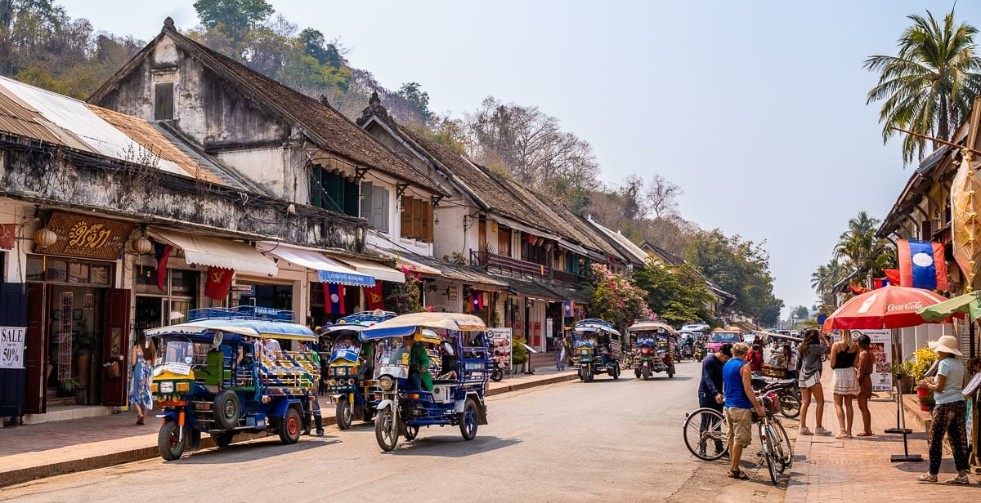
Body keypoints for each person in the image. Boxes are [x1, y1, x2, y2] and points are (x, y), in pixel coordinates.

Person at [916, 336, 971, 484]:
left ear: (944, 351)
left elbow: (939, 387)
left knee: (935, 439)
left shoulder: (944, 364)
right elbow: (958, 384)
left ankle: (932, 473)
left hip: (945, 404)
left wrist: (927, 385)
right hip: (959, 403)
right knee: (958, 440)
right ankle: (962, 474)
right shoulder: (959, 364)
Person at [723, 343, 766, 480]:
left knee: (732, 438)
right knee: (740, 439)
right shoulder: (744, 366)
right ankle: (734, 468)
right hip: (740, 406)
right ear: (745, 353)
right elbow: (747, 388)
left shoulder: (727, 365)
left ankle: (733, 466)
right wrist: (758, 407)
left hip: (728, 406)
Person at [697, 343, 733, 456]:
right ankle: (702, 448)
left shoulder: (724, 363)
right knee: (705, 422)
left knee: (717, 422)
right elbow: (707, 378)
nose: (726, 360)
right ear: (721, 353)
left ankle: (719, 447)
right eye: (726, 358)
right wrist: (715, 393)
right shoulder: (709, 360)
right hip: (706, 394)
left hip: (718, 394)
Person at [798, 329, 832, 436]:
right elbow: (829, 348)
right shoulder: (815, 347)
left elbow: (798, 365)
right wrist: (823, 337)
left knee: (805, 403)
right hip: (812, 376)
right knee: (820, 402)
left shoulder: (802, 348)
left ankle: (803, 427)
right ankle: (818, 427)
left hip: (802, 377)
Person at [830, 331, 860, 438]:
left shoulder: (836, 345)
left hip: (839, 374)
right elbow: (855, 364)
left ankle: (842, 430)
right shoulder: (856, 347)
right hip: (850, 374)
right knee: (849, 404)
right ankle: (849, 431)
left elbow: (832, 364)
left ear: (841, 333)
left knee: (838, 403)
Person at [129, 334, 156, 426]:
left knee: (134, 393)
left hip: (138, 372)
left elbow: (133, 363)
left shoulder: (136, 348)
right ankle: (143, 419)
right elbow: (154, 363)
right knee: (147, 394)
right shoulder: (152, 349)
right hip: (148, 374)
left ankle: (139, 413)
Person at [855, 335, 874, 437]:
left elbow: (861, 371)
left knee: (863, 407)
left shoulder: (863, 354)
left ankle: (866, 429)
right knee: (864, 407)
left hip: (863, 382)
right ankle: (868, 429)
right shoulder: (868, 353)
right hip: (867, 380)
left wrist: (856, 382)